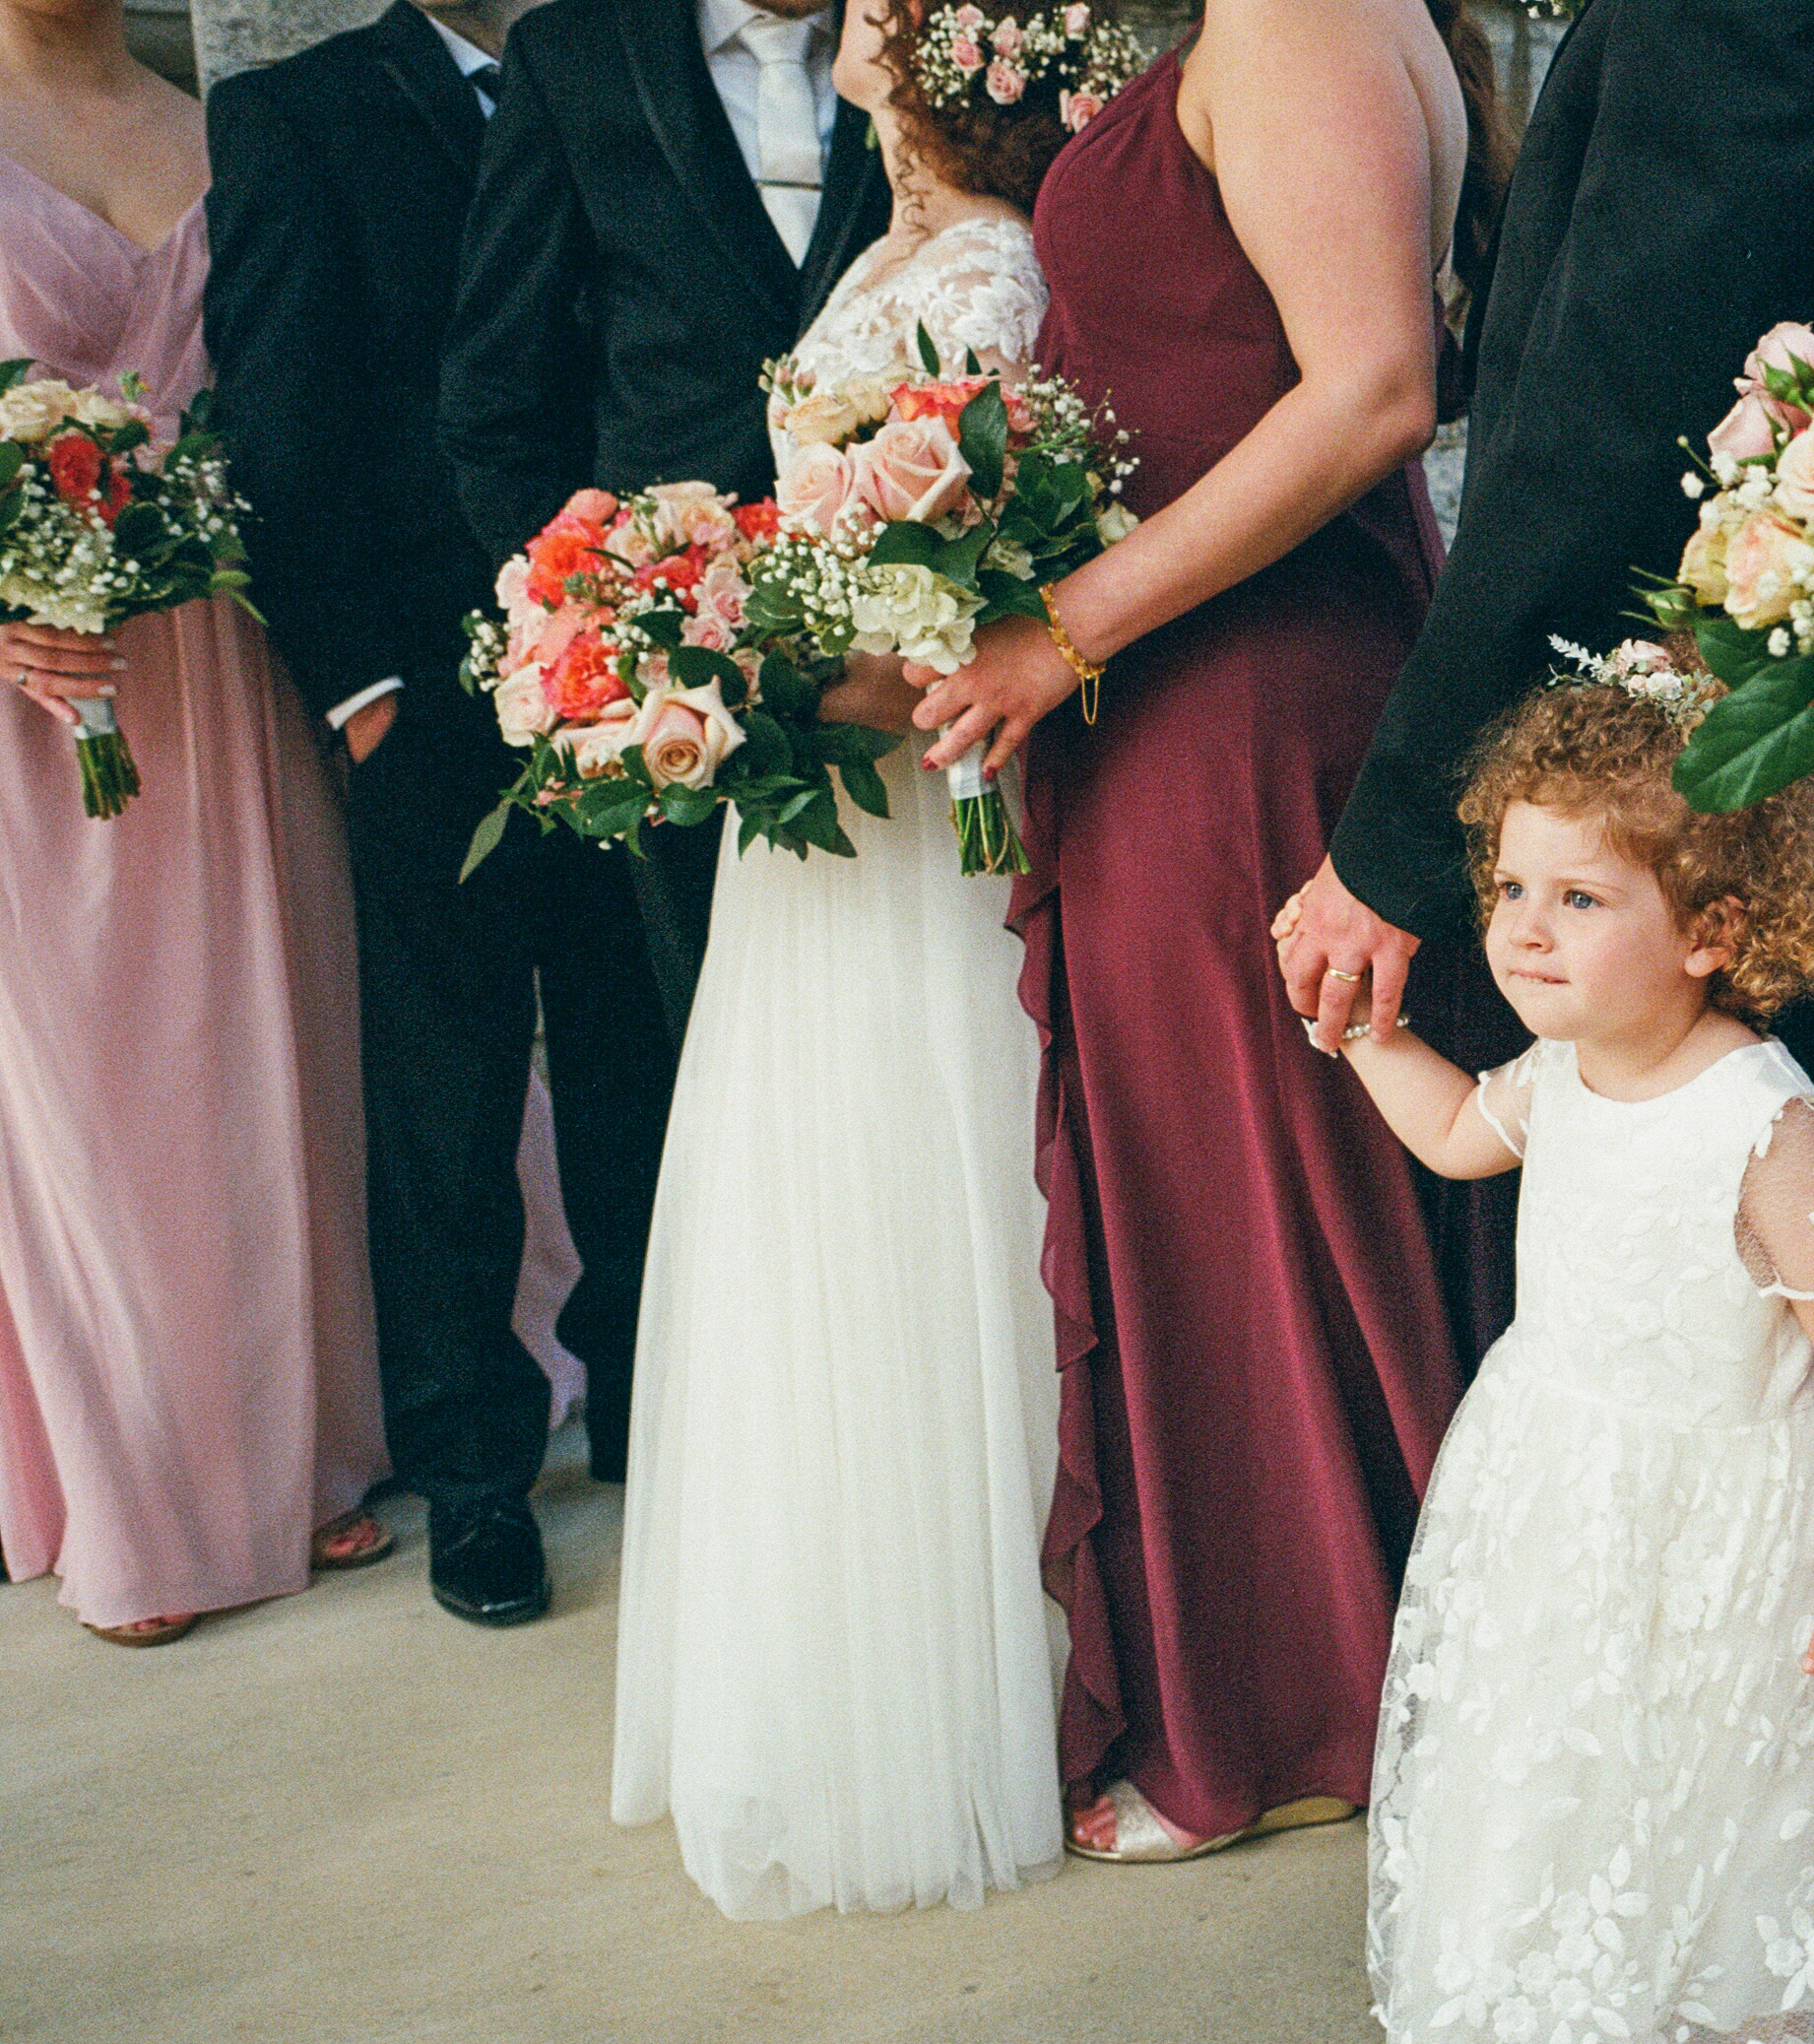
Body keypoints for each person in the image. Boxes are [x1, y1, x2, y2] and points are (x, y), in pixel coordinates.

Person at [902, 0, 1511, 1860]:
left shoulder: (1301, 18)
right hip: (1206, 674)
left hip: (1244, 696)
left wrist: (1066, 621)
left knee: (1260, 1185)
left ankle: (1317, 1693)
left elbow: (1372, 389)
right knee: (1258, 1174)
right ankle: (1354, 1665)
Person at [1297, 670, 1814, 2041]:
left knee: (1720, 1783)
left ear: (1710, 930)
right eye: (1511, 887)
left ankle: (1727, 2007)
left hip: (1732, 1527)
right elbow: (1452, 1134)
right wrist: (1359, 1030)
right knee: (1577, 1751)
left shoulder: (1762, 1123)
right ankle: (1589, 1982)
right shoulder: (1564, 1066)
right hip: (1570, 1490)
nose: (1524, 930)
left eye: (1580, 897)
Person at [1279, 0, 1814, 1167]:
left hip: (1695, 819)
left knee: (1731, 1243)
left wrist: (1395, 845)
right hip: (1798, 773)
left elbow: (1604, 432)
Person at [608, 0, 1069, 1920]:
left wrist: (764, 659)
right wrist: (674, 627)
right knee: (795, 1195)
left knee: (913, 1172)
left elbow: (968, 579)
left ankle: (975, 1667)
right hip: (803, 821)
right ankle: (814, 1649)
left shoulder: (996, 266)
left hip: (906, 793)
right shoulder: (881, 250)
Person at [202, 0, 677, 1630]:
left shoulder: (629, 74)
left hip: (638, 679)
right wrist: (361, 692)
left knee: (636, 1059)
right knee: (447, 1103)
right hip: (424, 698)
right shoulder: (300, 115)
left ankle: (647, 1402)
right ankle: (473, 1472)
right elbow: (276, 419)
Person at [0, 0, 388, 1646]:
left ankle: (307, 1443)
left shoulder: (227, 120)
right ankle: (143, 1499)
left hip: (232, 664)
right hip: (44, 698)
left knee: (268, 1056)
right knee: (97, 1098)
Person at [439, 0, 893, 1028]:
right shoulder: (576, 55)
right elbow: (495, 397)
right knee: (730, 1035)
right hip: (680, 687)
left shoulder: (925, 33)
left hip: (918, 660)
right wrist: (588, 628)